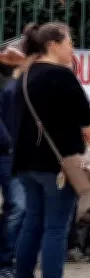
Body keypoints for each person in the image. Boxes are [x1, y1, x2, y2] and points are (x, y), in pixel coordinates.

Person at [13, 22, 90, 278]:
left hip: (26, 162)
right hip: (58, 164)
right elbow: (85, 118)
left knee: (32, 224)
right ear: (53, 45)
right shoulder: (62, 75)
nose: (73, 48)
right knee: (56, 228)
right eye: (70, 42)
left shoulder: (25, 75)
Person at [0, 40, 25, 277]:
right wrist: (9, 145)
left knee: (20, 208)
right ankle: (6, 264)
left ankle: (13, 261)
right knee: (17, 207)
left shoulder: (24, 82)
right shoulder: (8, 83)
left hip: (19, 154)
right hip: (9, 154)